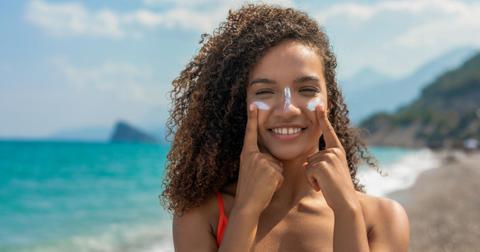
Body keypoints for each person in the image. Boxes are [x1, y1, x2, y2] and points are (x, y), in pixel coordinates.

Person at [160, 4, 410, 251]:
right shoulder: (200, 217)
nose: (287, 109)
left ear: (328, 103)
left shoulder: (382, 219)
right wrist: (246, 210)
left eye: (307, 89)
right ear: (240, 105)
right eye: (265, 92)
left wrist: (347, 210)